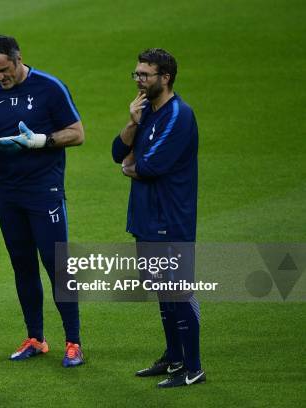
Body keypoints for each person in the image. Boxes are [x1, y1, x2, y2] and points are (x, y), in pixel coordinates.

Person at [0, 35, 85, 367]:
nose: (0, 78)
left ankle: (73, 342)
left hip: (44, 191)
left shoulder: (49, 87)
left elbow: (77, 133)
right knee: (22, 265)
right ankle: (36, 338)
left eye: (4, 70)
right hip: (7, 193)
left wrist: (42, 140)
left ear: (19, 59)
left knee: (56, 265)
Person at [111, 48, 205, 387]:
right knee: (161, 291)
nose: (138, 80)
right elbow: (117, 152)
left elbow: (151, 166)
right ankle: (173, 356)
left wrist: (132, 166)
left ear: (165, 78)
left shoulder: (179, 114)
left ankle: (193, 367)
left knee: (179, 293)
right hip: (145, 218)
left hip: (171, 219)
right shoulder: (146, 112)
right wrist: (132, 124)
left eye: (145, 75)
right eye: (136, 74)